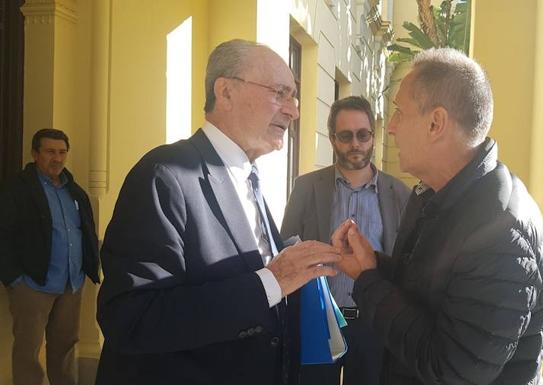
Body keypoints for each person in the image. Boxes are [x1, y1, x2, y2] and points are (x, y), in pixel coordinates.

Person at [95, 39, 341, 385]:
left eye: (294, 96)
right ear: (225, 92)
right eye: (280, 93)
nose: (293, 110)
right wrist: (273, 280)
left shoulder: (248, 176)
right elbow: (133, 319)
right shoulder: (165, 175)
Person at [331, 48, 543, 385]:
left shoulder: (501, 234)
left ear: (435, 123)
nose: (390, 128)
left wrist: (368, 282)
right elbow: (427, 291)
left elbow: (451, 370)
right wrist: (374, 265)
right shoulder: (435, 194)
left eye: (399, 113)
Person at [281, 96, 410, 385]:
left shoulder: (400, 194)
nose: (355, 144)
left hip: (373, 323)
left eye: (363, 135)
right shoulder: (305, 188)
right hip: (319, 321)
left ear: (373, 138)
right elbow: (286, 247)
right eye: (346, 136)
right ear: (332, 139)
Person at [0, 128, 100, 385]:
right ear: (35, 154)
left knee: (65, 350)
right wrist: (14, 279)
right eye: (50, 152)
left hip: (71, 285)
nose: (57, 158)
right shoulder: (17, 189)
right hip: (33, 284)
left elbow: (86, 231)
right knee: (28, 352)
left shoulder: (75, 191)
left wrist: (89, 268)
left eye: (62, 152)